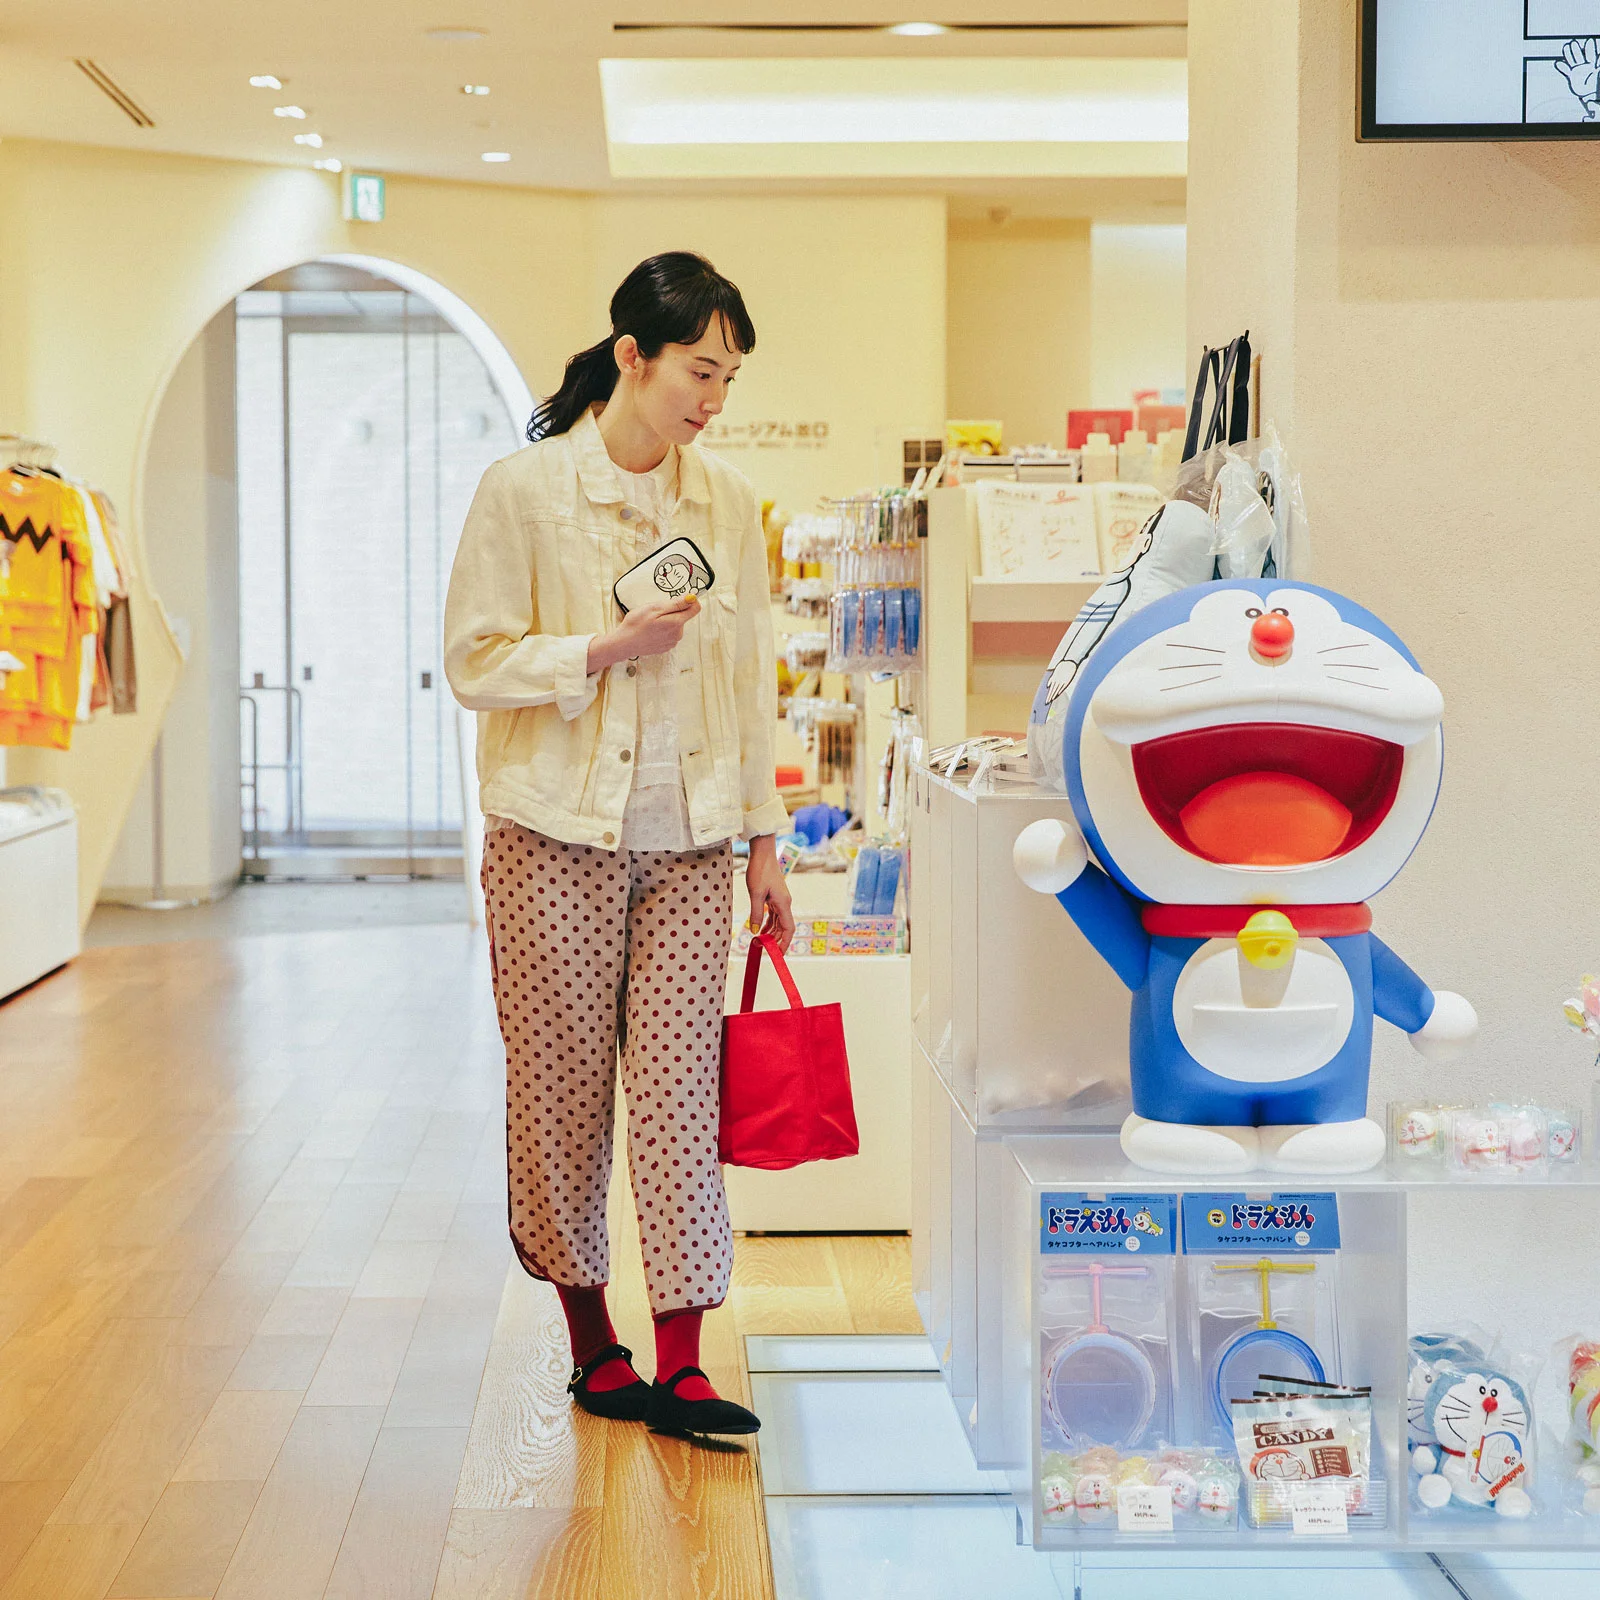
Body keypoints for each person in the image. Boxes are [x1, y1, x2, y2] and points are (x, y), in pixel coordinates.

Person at [444, 251, 795, 1437]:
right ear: (632, 356)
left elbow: (748, 676)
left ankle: (685, 1358)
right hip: (552, 836)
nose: (715, 398)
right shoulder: (524, 491)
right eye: (700, 370)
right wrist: (603, 648)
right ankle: (595, 1345)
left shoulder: (727, 500)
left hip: (692, 843)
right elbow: (473, 661)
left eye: (729, 376)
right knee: (561, 1091)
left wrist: (764, 841)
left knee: (681, 1093)